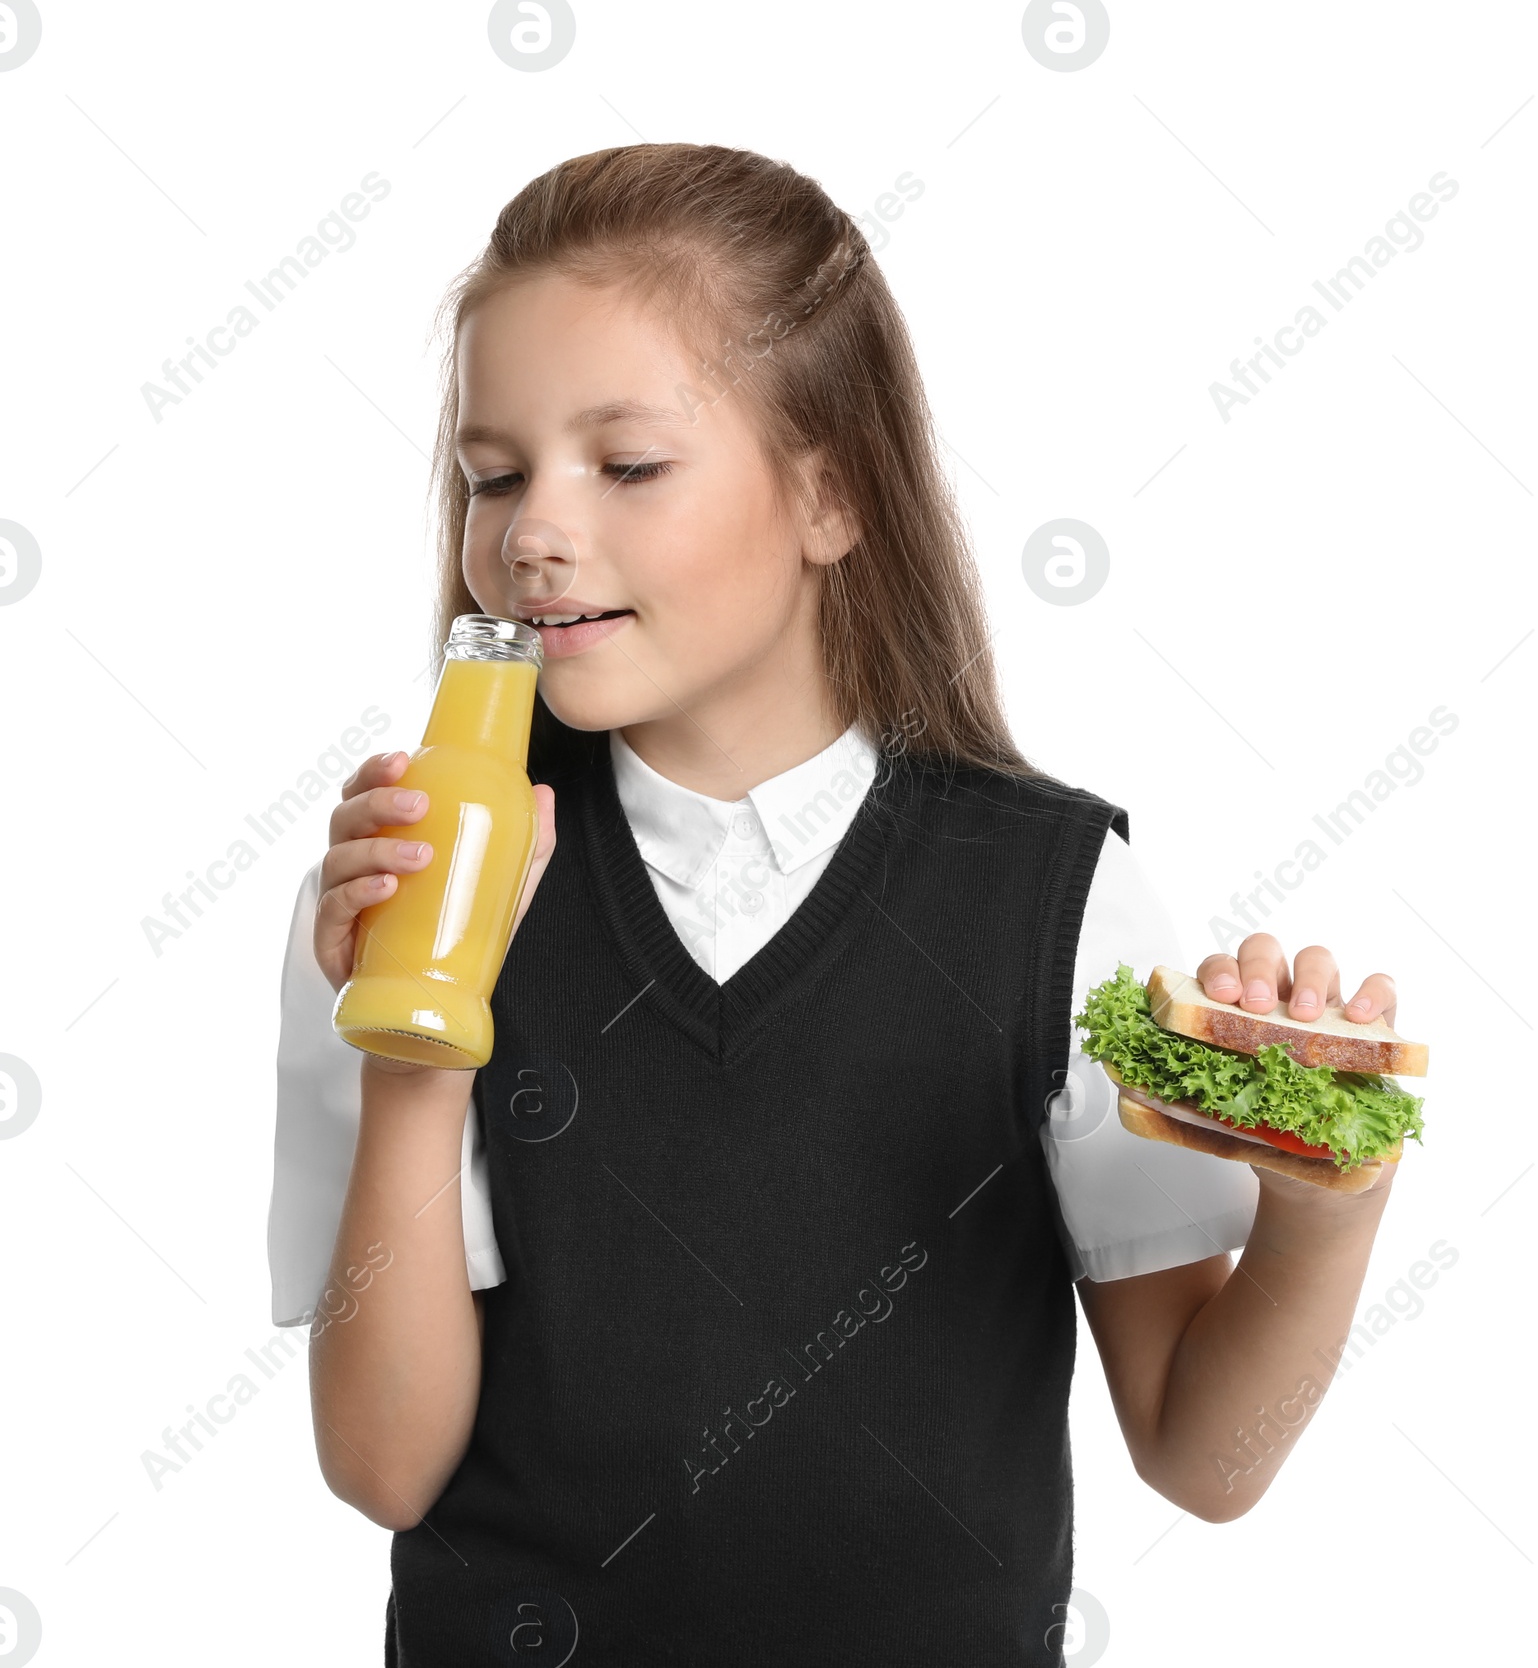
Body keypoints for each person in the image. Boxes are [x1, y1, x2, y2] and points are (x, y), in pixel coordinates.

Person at [268, 142, 1402, 1666]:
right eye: (492, 474)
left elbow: (1206, 1459)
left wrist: (1326, 1223)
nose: (531, 529)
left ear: (829, 495)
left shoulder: (1052, 895)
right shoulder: (407, 885)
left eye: (627, 463)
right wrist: (417, 1043)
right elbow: (384, 1467)